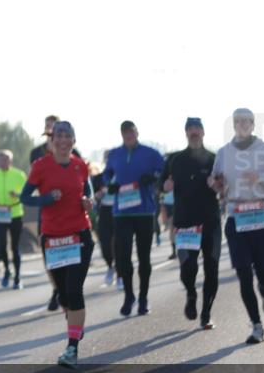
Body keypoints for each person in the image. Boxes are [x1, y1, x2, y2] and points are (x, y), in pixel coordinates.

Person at [210, 108, 264, 344]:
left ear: (253, 125)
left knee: (263, 271)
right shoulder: (224, 153)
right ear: (233, 125)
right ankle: (257, 325)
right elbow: (215, 182)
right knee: (243, 274)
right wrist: (217, 184)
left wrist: (261, 180)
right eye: (237, 121)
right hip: (236, 217)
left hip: (261, 216)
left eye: (246, 121)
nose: (241, 125)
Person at [20, 121, 94, 369]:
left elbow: (89, 193)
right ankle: (75, 326)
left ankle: (72, 348)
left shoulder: (80, 166)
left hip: (79, 234)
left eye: (67, 136)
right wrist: (46, 198)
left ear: (73, 140)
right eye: (58, 135)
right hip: (52, 238)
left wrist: (88, 202)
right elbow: (24, 197)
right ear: (52, 141)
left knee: (74, 291)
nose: (63, 140)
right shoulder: (40, 166)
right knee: (63, 294)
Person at [160, 118, 220, 329]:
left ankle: (206, 314)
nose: (194, 132)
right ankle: (191, 293)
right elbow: (162, 183)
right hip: (185, 222)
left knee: (212, 268)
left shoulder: (214, 158)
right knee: (188, 268)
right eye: (190, 129)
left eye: (197, 128)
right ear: (186, 133)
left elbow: (224, 187)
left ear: (203, 132)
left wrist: (217, 186)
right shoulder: (175, 159)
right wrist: (166, 185)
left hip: (210, 221)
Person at [103, 120, 165, 316]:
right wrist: (109, 184)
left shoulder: (150, 153)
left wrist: (154, 178)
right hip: (121, 212)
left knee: (144, 257)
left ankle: (144, 298)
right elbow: (106, 174)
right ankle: (129, 296)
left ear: (137, 133)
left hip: (144, 211)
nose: (128, 136)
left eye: (131, 132)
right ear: (121, 135)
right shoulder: (114, 154)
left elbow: (164, 170)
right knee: (123, 257)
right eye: (125, 133)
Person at [30, 115, 83, 310]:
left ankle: (65, 290)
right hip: (48, 208)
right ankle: (57, 288)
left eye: (60, 132)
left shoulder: (73, 152)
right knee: (48, 253)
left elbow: (84, 180)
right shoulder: (36, 153)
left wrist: (86, 199)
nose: (58, 137)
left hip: (72, 211)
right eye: (52, 131)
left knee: (72, 253)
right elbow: (32, 182)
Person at [0, 149, 27, 289]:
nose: (3, 162)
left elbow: (27, 191)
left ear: (11, 160)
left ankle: (17, 277)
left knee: (15, 247)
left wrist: (17, 194)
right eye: (0, 159)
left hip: (15, 213)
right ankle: (7, 271)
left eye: (6, 159)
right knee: (0, 245)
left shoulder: (19, 174)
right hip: (0, 214)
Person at [92, 154, 118, 287]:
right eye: (107, 160)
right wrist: (98, 195)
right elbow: (93, 196)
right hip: (105, 211)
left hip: (119, 211)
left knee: (118, 243)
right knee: (104, 241)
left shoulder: (122, 175)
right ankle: (110, 266)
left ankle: (120, 274)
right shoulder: (98, 178)